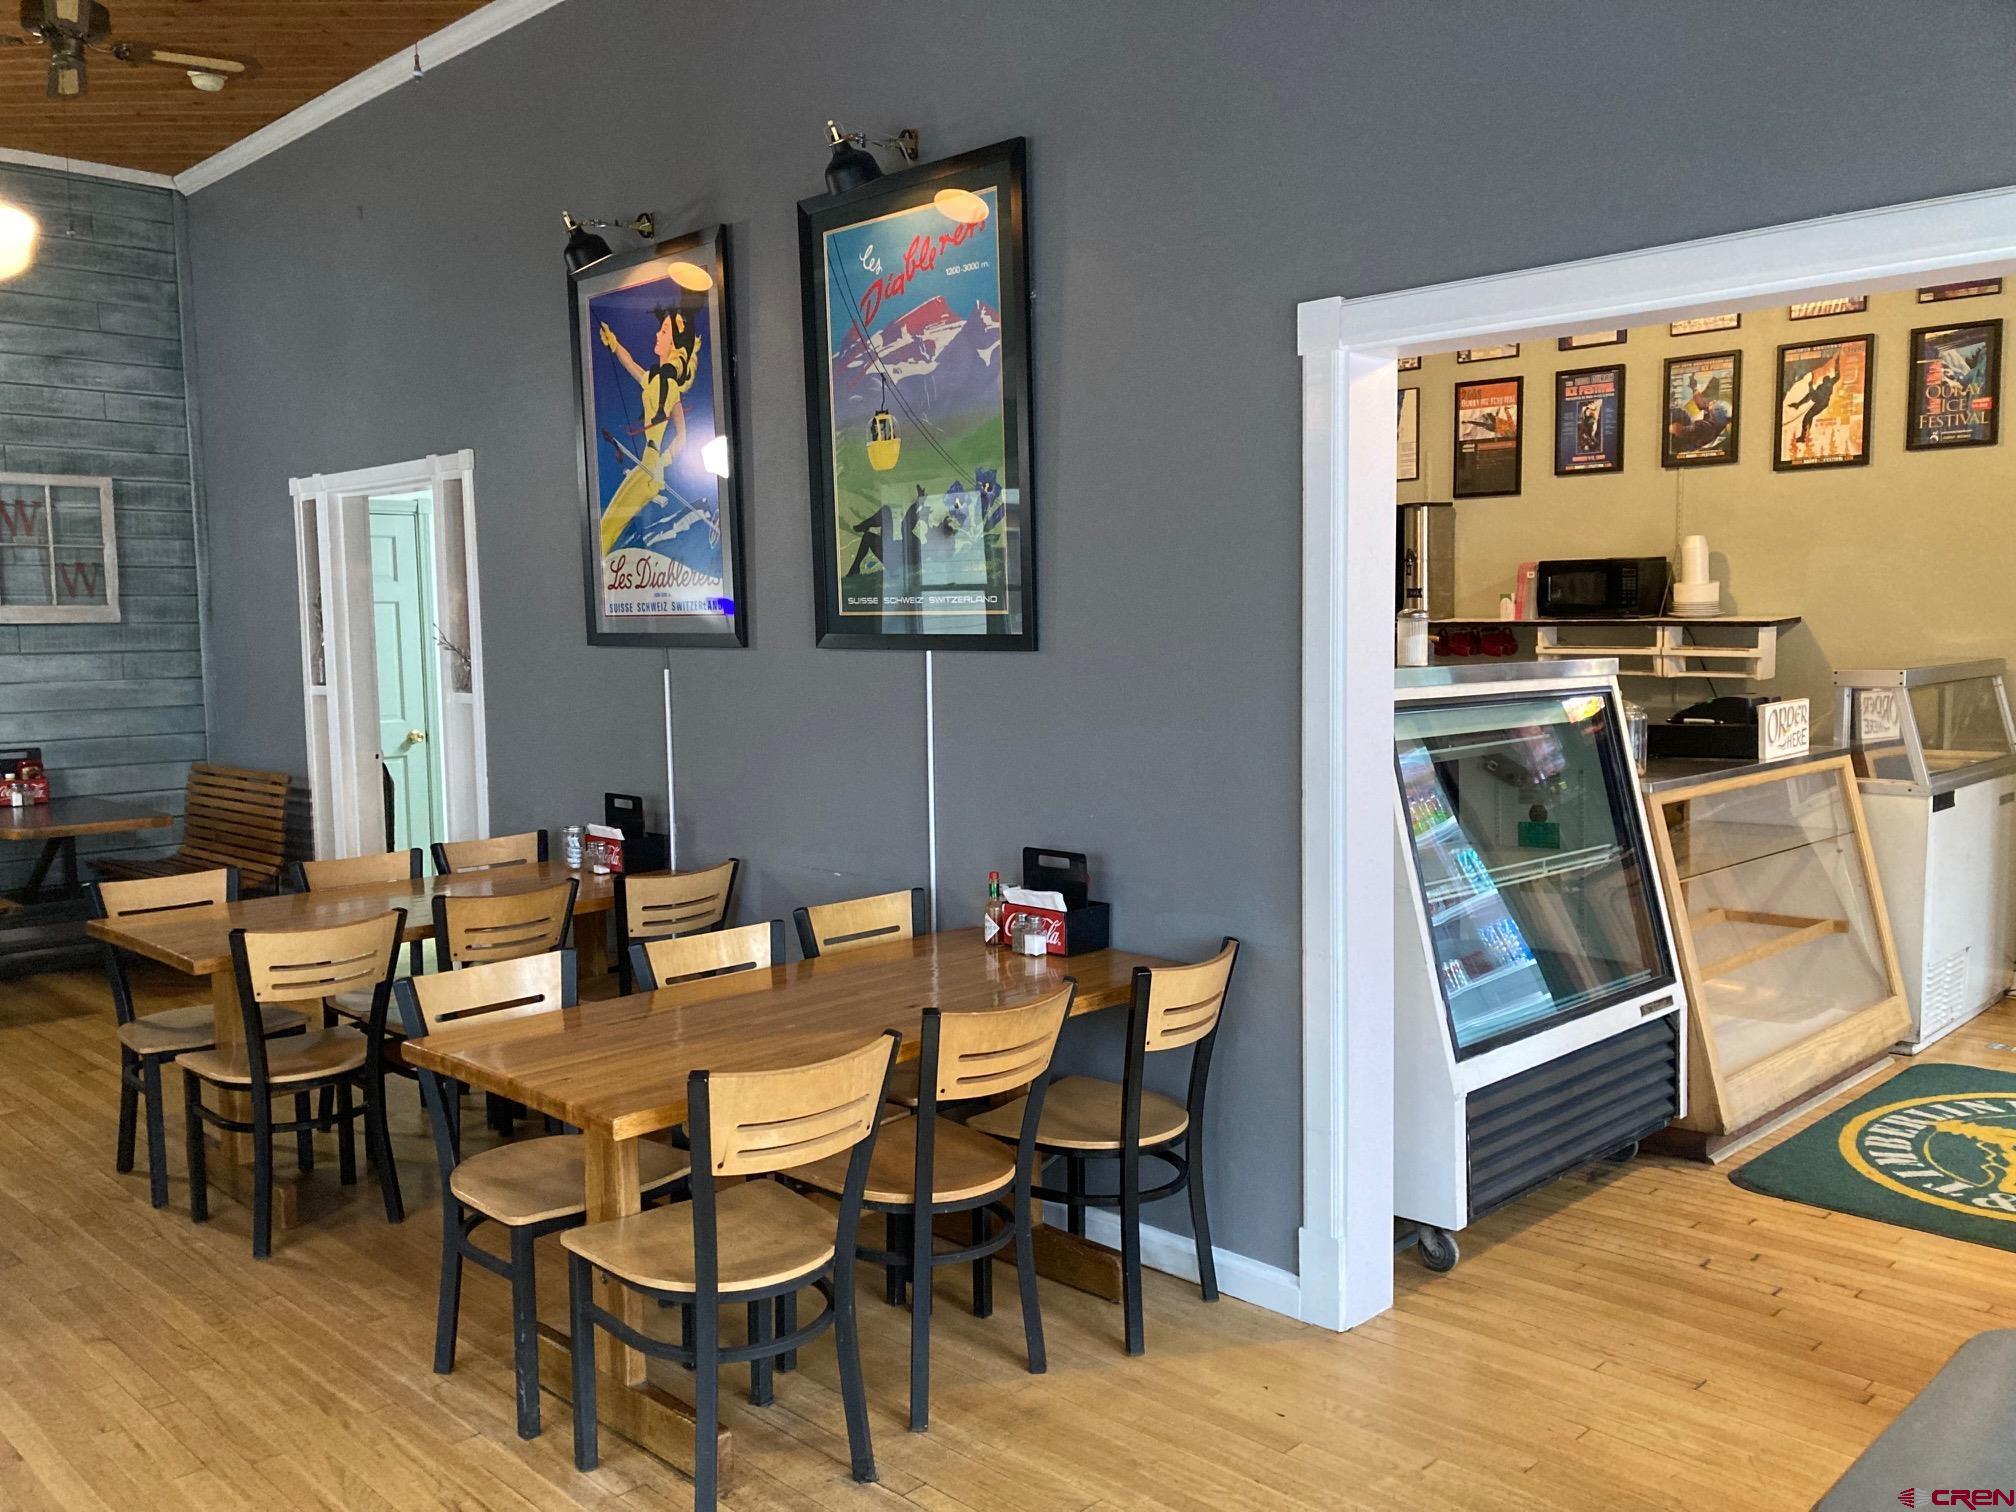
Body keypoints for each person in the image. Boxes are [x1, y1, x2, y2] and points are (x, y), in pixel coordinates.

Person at [596, 297, 702, 555]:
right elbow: (631, 364)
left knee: (608, 526)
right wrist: (615, 342)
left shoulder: (671, 386)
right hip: (646, 464)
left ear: (676, 344)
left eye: (664, 331)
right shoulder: (654, 378)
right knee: (608, 524)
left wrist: (662, 462)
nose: (657, 334)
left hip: (651, 468)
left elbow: (682, 436)